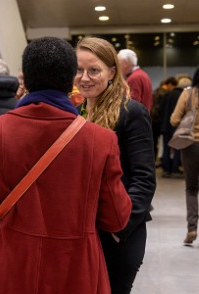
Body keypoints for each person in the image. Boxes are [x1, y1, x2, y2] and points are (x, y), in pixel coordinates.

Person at [0, 36, 132, 294]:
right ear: (71, 77)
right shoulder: (101, 140)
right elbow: (116, 218)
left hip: (6, 266)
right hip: (75, 269)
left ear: (24, 78)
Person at [75, 36, 156, 294]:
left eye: (94, 70)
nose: (84, 77)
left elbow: (144, 178)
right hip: (83, 231)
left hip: (118, 233)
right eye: (79, 70)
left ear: (112, 72)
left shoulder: (131, 112)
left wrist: (120, 228)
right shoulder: (75, 114)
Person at [170, 68, 199, 245]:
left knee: (191, 188)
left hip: (191, 145)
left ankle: (192, 228)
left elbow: (174, 119)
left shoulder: (188, 94)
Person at [160, 77, 192, 178]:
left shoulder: (166, 94)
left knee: (166, 148)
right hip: (178, 126)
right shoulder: (184, 96)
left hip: (165, 126)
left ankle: (166, 169)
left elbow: (160, 109)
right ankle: (175, 169)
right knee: (178, 148)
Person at [151, 77, 178, 163]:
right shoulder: (166, 93)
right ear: (169, 84)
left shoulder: (156, 91)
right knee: (163, 144)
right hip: (160, 121)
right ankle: (162, 161)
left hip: (152, 119)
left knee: (154, 143)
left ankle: (154, 161)